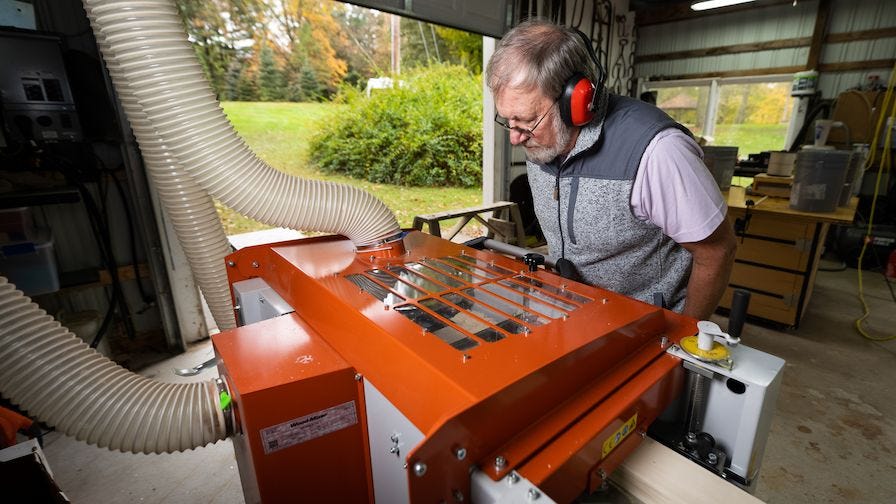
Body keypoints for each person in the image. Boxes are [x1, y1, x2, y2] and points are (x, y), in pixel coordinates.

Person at [486, 20, 736, 320]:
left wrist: (684, 337)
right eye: (508, 121)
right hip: (572, 314)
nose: (515, 137)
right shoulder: (541, 140)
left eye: (526, 121)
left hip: (645, 327)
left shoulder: (658, 152)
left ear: (575, 101)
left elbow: (717, 251)